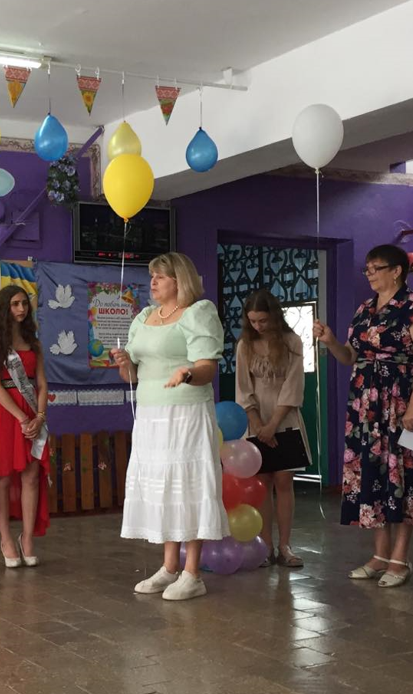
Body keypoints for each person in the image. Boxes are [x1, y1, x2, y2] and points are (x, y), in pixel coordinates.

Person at [314, 244, 413, 588]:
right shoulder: (365, 308)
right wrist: (331, 341)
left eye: (375, 268)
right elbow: (349, 356)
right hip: (364, 405)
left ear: (396, 271)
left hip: (399, 400)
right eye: (366, 268)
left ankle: (400, 558)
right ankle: (379, 555)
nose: (369, 273)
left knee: (403, 475)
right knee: (373, 475)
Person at [112, 252, 227, 601]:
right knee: (163, 487)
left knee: (188, 486)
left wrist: (187, 373)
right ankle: (169, 567)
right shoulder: (144, 317)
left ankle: (192, 573)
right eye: (152, 276)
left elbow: (208, 367)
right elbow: (132, 375)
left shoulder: (197, 312)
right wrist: (124, 363)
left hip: (186, 413)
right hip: (151, 414)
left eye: (160, 276)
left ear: (180, 280)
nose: (153, 282)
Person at [236, 290, 310, 568]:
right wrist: (258, 425)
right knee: (263, 483)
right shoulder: (244, 345)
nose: (258, 326)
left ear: (275, 316)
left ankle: (285, 546)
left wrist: (273, 426)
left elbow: (293, 387)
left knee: (284, 482)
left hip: (285, 420)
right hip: (256, 421)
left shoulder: (292, 342)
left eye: (263, 320)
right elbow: (243, 389)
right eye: (253, 321)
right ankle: (266, 546)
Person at [0, 285, 51, 567]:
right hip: (6, 413)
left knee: (31, 476)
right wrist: (22, 418)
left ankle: (28, 538)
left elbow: (42, 383)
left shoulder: (34, 342)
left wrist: (39, 416)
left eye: (24, 303)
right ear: (4, 307)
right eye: (15, 304)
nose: (21, 309)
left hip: (33, 411)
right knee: (3, 477)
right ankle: (6, 539)